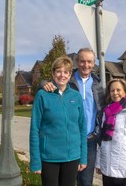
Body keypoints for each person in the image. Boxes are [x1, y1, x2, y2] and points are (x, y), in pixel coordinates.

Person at [42, 48, 105, 186]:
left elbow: (104, 108)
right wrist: (43, 84)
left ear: (94, 63)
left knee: (86, 181)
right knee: (64, 180)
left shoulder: (99, 85)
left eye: (89, 62)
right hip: (68, 139)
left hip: (89, 139)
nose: (86, 65)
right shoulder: (67, 79)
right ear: (77, 62)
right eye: (82, 61)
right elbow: (48, 87)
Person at [29, 56, 87, 186]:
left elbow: (82, 127)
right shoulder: (42, 95)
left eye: (66, 72)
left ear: (70, 74)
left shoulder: (76, 96)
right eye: (58, 71)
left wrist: (83, 157)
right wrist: (35, 161)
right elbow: (34, 129)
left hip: (72, 157)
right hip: (49, 157)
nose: (62, 75)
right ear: (53, 73)